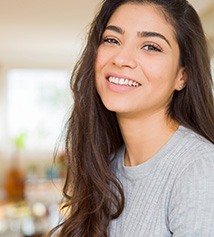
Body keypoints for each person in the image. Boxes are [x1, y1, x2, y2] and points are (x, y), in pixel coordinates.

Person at [48, 0, 214, 236]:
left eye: (150, 47)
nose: (121, 59)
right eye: (112, 40)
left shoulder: (199, 169)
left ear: (182, 76)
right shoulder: (106, 166)